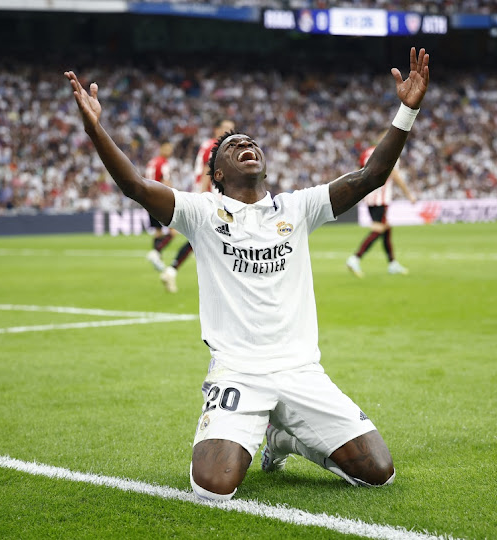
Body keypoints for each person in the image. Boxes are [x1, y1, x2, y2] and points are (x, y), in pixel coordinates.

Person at [64, 46, 429, 501]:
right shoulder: (201, 211)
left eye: (251, 142)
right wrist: (94, 127)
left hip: (300, 370)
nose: (246, 145)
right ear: (218, 171)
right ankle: (269, 431)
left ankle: (286, 438)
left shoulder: (298, 207)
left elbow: (371, 175)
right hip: (239, 373)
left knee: (379, 472)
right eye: (234, 146)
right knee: (212, 489)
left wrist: (407, 110)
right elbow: (135, 186)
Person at [159, 118, 235, 292]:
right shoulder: (216, 147)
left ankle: (172, 270)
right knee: (224, 238)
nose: (228, 132)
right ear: (217, 130)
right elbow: (209, 171)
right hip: (211, 199)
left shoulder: (209, 145)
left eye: (231, 129)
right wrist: (203, 196)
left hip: (209, 197)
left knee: (201, 239)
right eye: (225, 128)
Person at [346, 141, 417, 278]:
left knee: (386, 228)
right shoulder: (390, 152)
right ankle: (355, 258)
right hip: (381, 198)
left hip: (369, 197)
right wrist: (409, 195)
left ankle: (392, 263)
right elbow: (395, 176)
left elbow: (358, 172)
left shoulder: (366, 153)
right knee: (378, 229)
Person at [145, 140, 176, 272]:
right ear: (162, 148)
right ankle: (156, 253)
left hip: (148, 198)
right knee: (173, 232)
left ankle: (158, 259)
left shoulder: (152, 162)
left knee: (157, 232)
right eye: (167, 148)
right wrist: (174, 197)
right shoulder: (164, 163)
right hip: (159, 200)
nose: (170, 151)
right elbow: (166, 182)